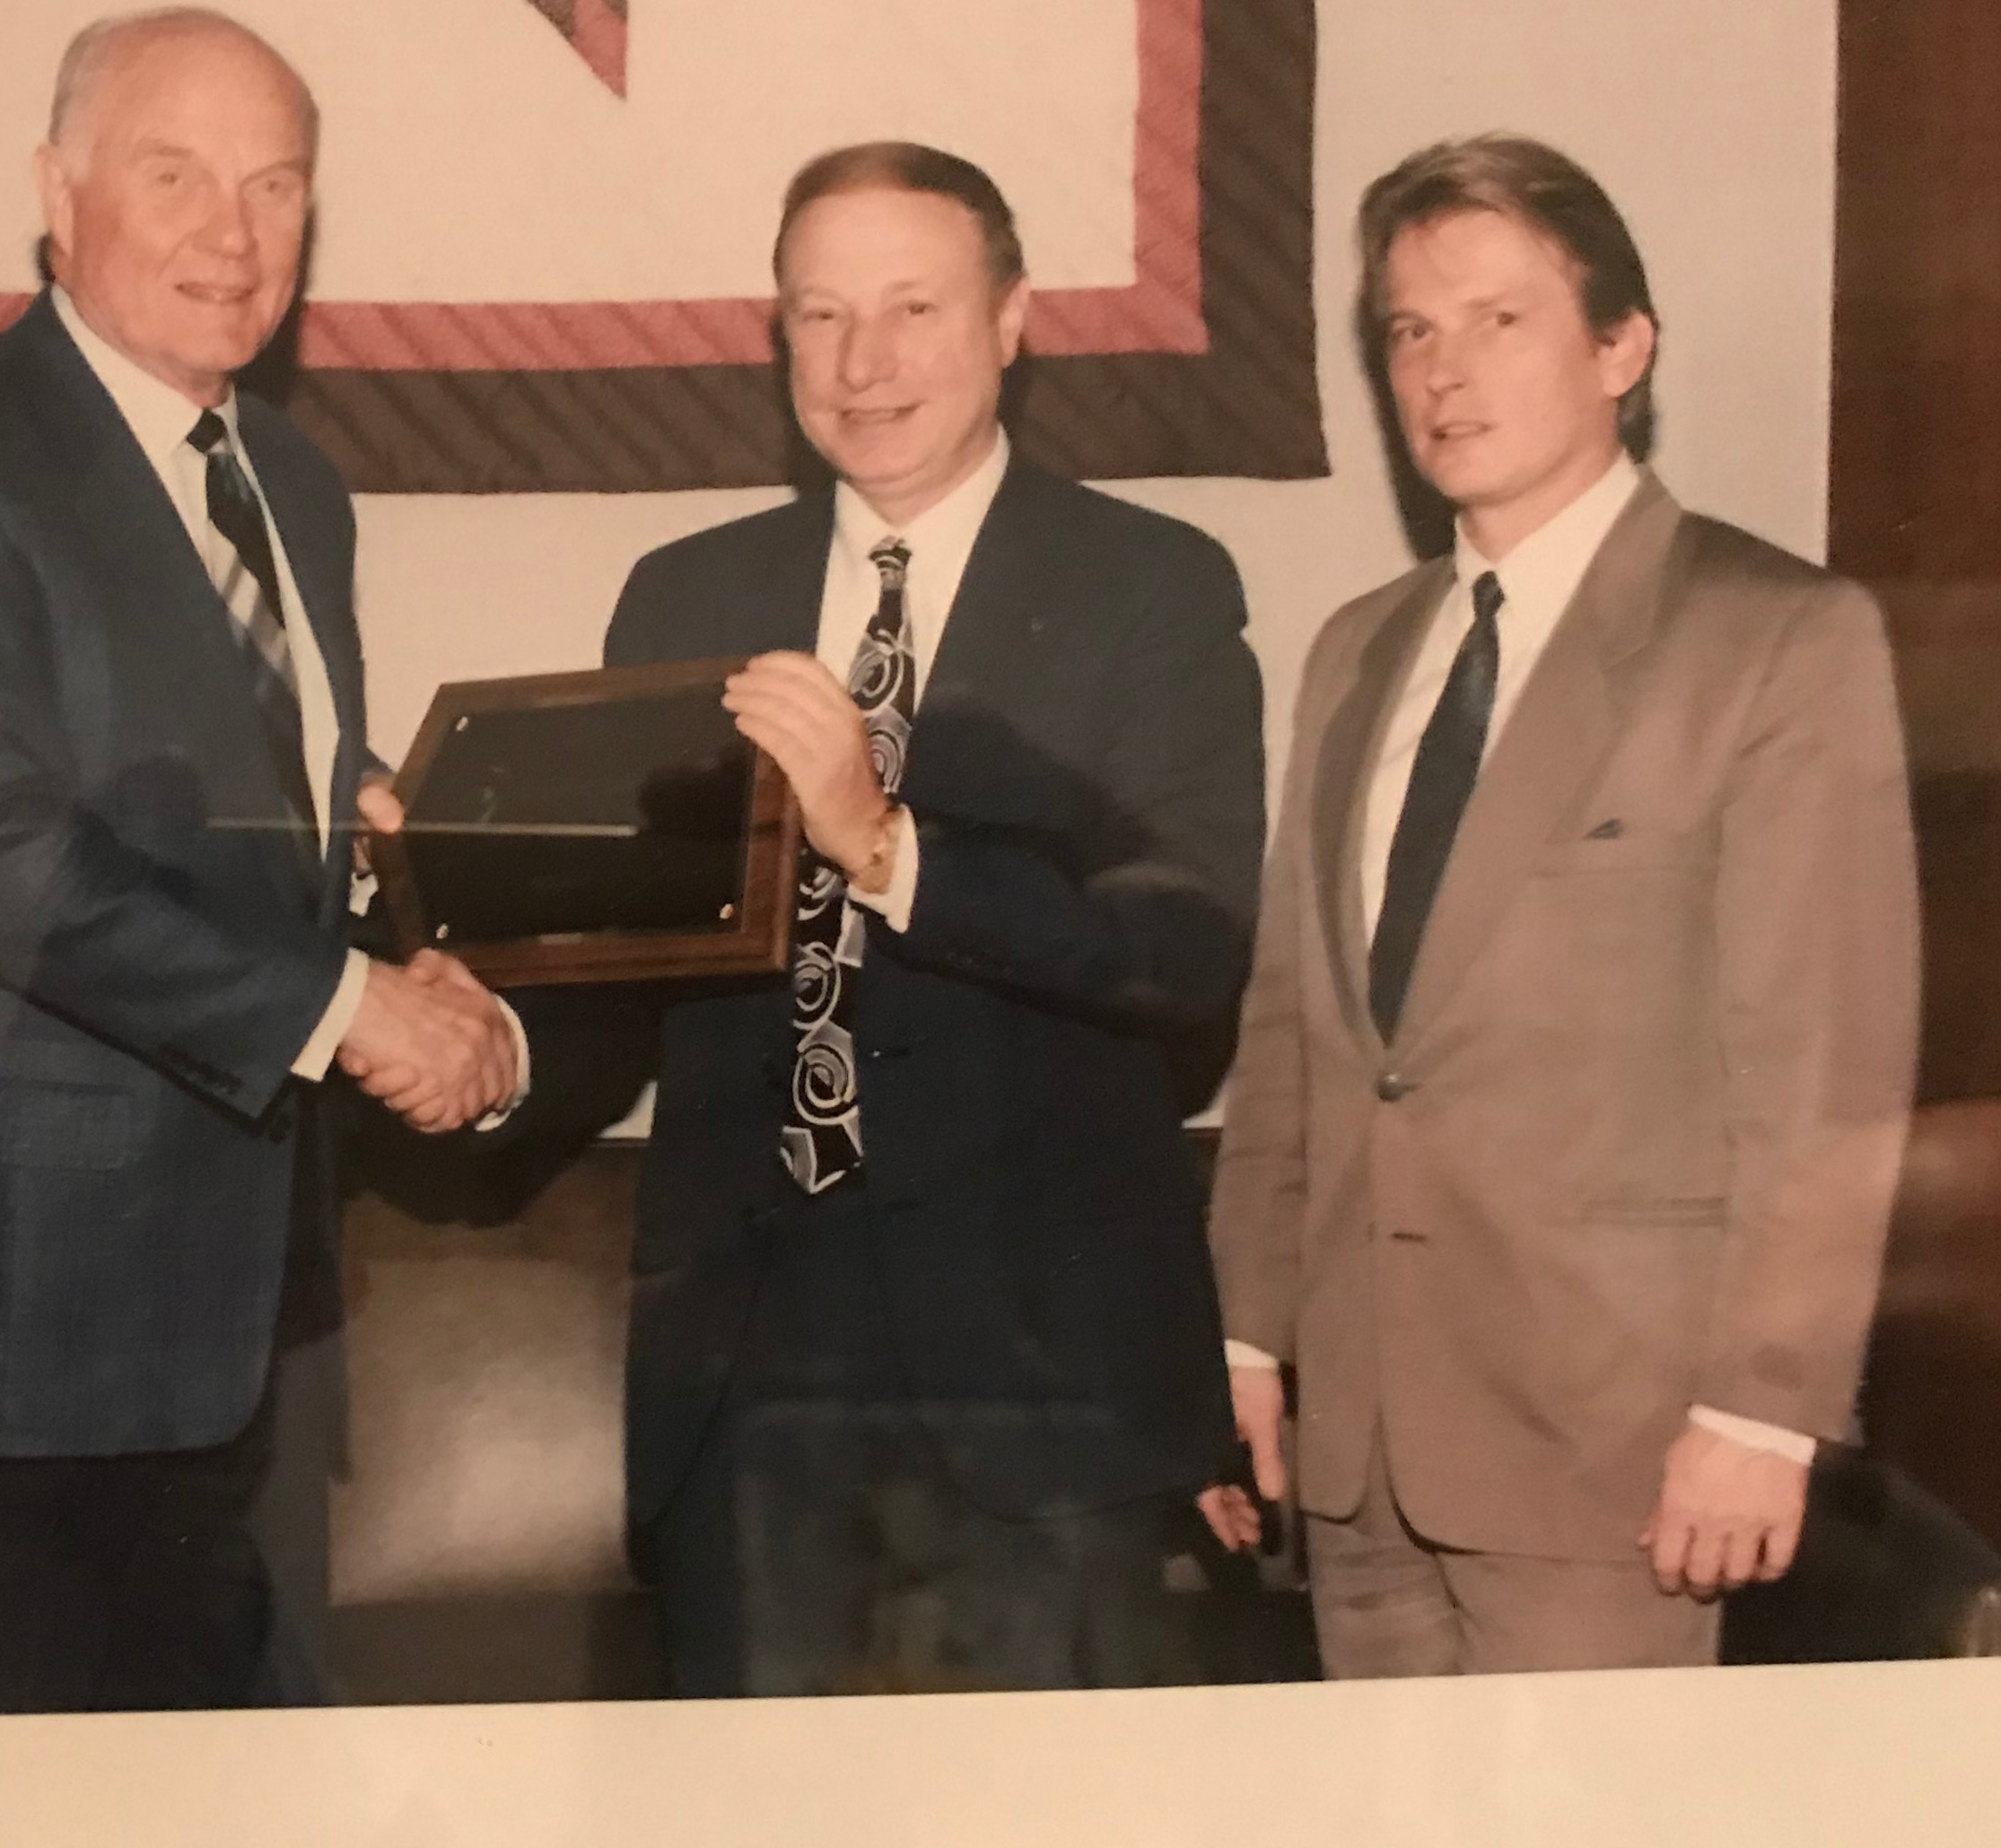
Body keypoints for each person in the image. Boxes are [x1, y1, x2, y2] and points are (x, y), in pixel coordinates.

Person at [0, 6, 520, 1717]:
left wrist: (394, 872)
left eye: (277, 186)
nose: (234, 233)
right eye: (175, 175)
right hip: (5, 1342)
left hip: (251, 1329)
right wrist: (354, 1013)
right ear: (58, 191)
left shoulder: (296, 484)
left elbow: (236, 809)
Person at [529, 140, 1265, 1696]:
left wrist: (886, 846)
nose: (864, 365)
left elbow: (1185, 951)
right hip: (747, 1389)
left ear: (1012, 323)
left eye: (914, 308)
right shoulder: (679, 595)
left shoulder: (1153, 589)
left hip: (1044, 1390)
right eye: (819, 315)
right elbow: (620, 966)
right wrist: (468, 1010)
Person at [1207, 132, 1920, 1676]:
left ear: (1622, 347)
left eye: (1498, 319)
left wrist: (1762, 1412)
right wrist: (1250, 1327)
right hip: (1362, 1452)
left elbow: (1825, 1075)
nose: (1442, 373)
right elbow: (1299, 1033)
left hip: (1621, 1451)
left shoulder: (1773, 639)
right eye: (1408, 331)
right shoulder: (1355, 651)